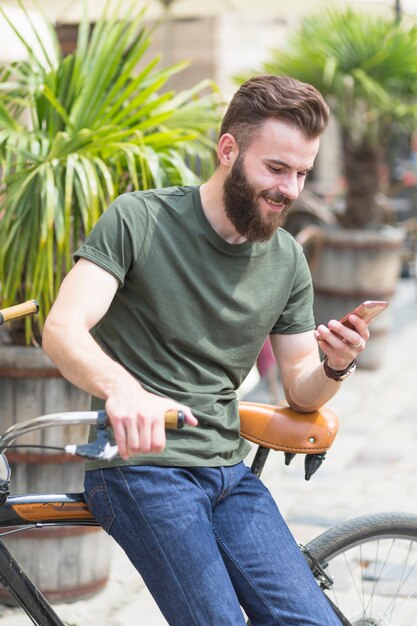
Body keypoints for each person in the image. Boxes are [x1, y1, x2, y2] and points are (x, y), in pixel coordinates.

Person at [43, 75, 369, 625]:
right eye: (276, 168)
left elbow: (298, 384)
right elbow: (63, 326)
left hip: (227, 470)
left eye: (301, 173)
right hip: (141, 468)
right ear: (228, 150)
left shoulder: (287, 258)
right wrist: (123, 389)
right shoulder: (140, 220)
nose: (290, 189)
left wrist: (337, 364)